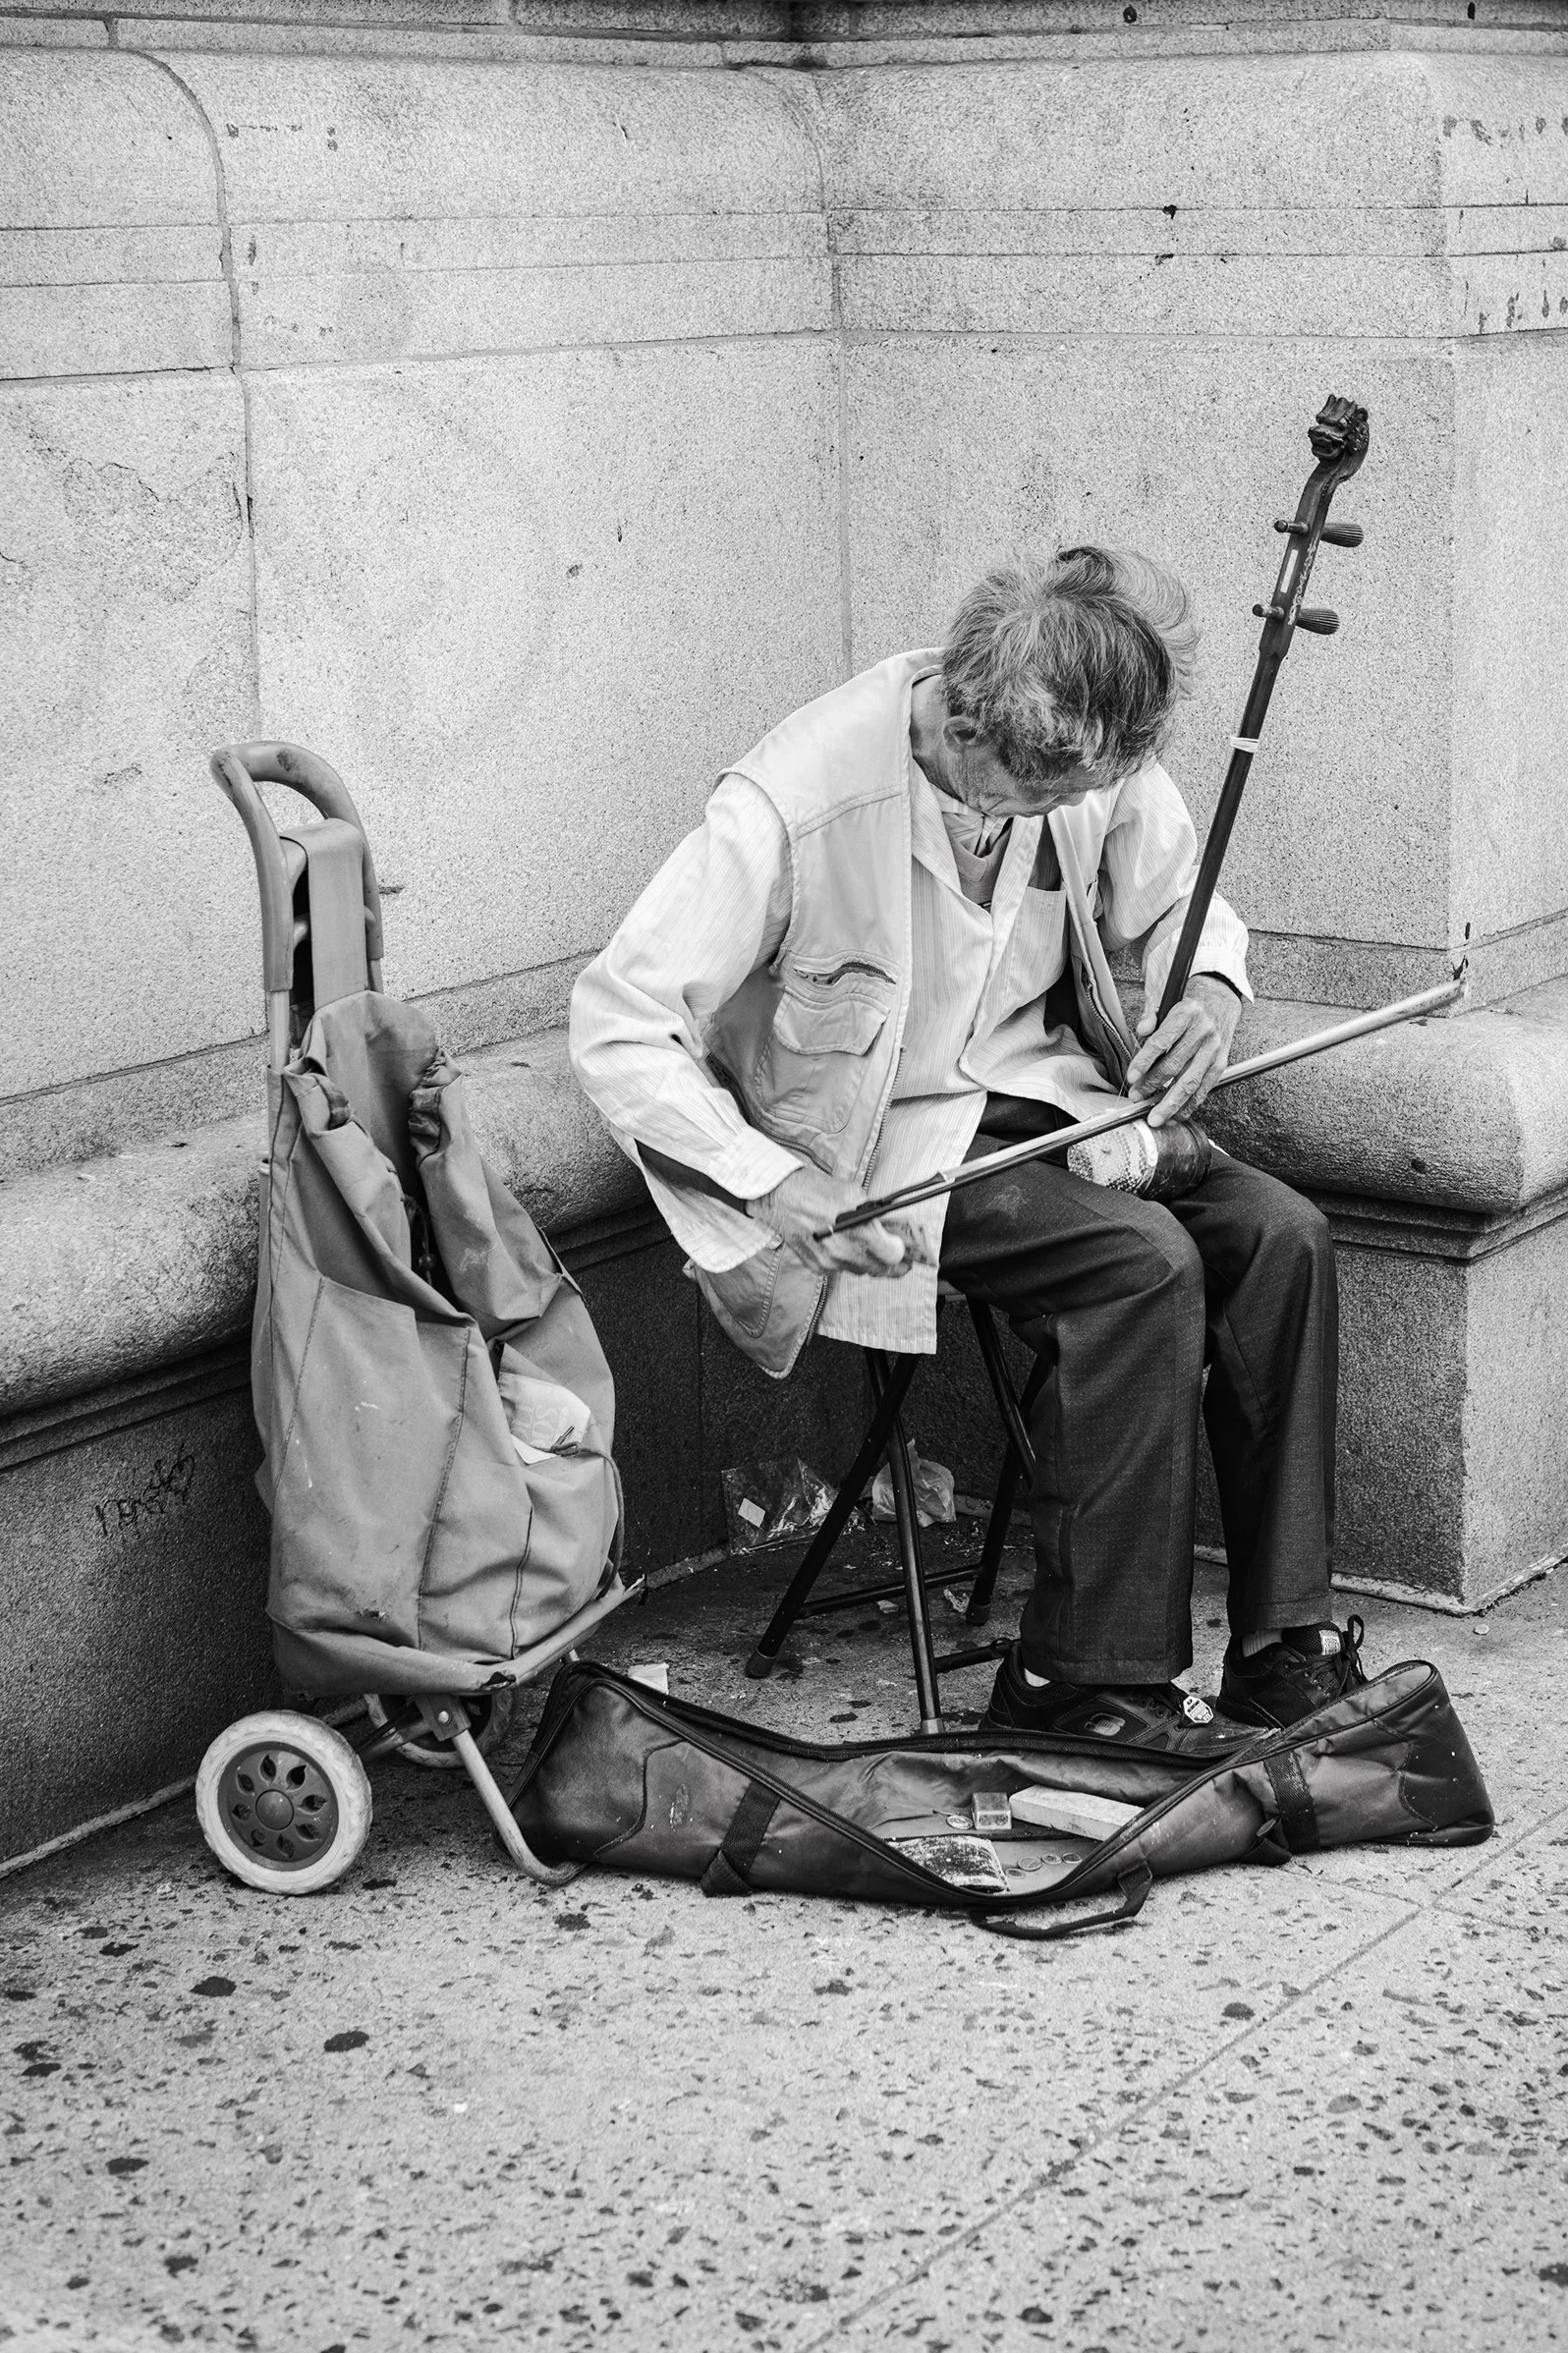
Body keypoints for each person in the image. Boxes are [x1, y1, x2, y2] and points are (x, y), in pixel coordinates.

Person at [570, 547, 1369, 1753]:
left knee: (1280, 1235)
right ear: (971, 724)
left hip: (1045, 1106)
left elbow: (1180, 901)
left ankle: (1280, 1648)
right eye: (1040, 799)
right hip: (871, 1152)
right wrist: (768, 1181)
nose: (1059, 820)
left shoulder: (1083, 745)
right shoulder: (796, 796)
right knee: (1140, 1265)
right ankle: (1080, 1681)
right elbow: (619, 1022)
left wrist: (1208, 985)